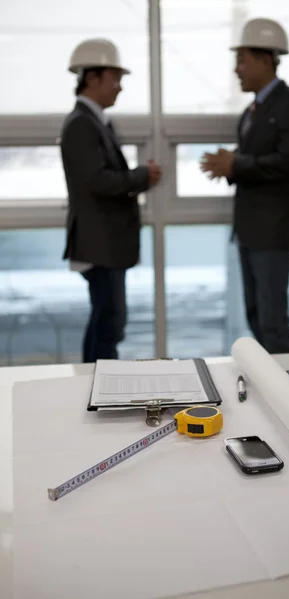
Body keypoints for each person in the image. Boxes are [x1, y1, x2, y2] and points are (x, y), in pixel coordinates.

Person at [201, 19, 289, 354]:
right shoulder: (250, 112)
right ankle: (270, 388)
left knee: (273, 321)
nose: (237, 70)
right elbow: (260, 162)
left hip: (273, 232)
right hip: (249, 231)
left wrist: (236, 163)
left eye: (243, 60)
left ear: (266, 59)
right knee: (255, 316)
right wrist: (231, 165)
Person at [60, 38, 162, 363]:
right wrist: (142, 176)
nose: (119, 88)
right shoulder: (80, 124)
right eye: (115, 79)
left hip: (105, 241)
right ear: (92, 77)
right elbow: (97, 181)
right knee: (109, 322)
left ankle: (93, 384)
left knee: (108, 321)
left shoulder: (96, 122)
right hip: (98, 242)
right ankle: (97, 389)